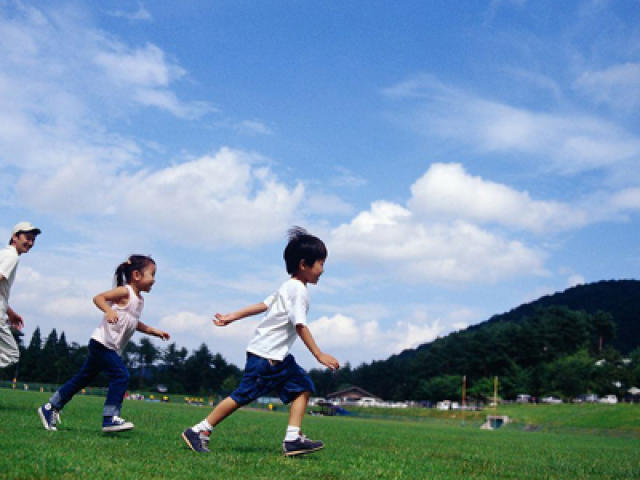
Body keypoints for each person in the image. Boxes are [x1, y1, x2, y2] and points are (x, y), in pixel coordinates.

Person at [182, 227, 340, 456]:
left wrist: (232, 316)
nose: (323, 270)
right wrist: (319, 354)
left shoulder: (287, 287)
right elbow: (300, 325)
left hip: (277, 357)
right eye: (321, 264)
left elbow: (262, 305)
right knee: (242, 396)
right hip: (266, 356)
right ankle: (199, 430)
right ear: (304, 264)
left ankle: (293, 439)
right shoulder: (297, 291)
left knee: (303, 386)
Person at [38, 255, 170, 433]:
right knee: (121, 375)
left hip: (109, 347)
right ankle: (110, 418)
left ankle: (50, 407)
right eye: (152, 274)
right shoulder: (124, 292)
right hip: (102, 344)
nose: (154, 280)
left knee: (81, 379)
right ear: (137, 275)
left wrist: (153, 331)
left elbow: (132, 321)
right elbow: (98, 298)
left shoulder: (139, 300)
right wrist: (108, 310)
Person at [0, 222, 41, 369]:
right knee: (11, 354)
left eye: (33, 240)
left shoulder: (3, 253)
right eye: (27, 238)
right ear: (14, 237)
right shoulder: (12, 257)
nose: (30, 243)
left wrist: (10, 312)